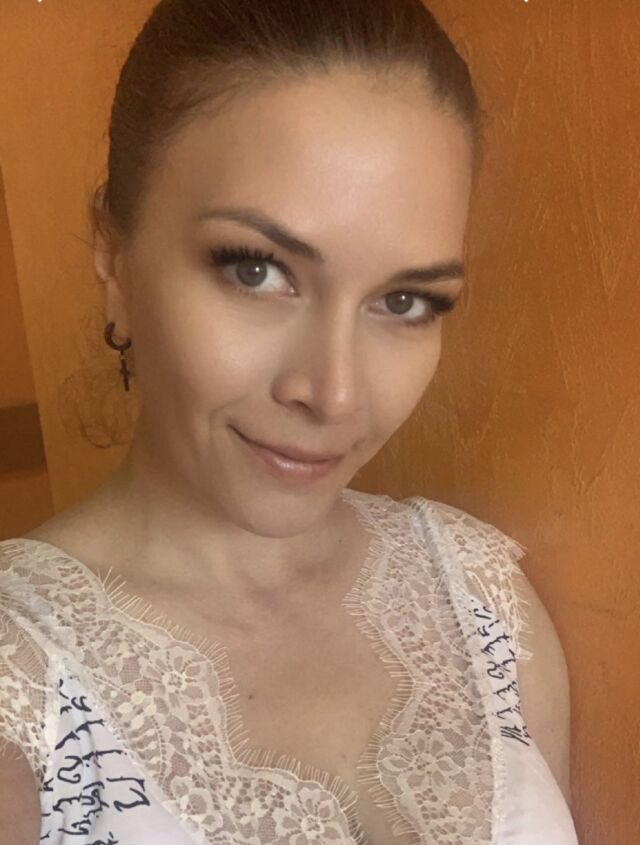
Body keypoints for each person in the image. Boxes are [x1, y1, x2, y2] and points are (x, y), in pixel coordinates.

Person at [0, 0, 580, 843]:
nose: (335, 394)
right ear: (114, 259)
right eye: (258, 271)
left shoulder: (483, 599)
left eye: (406, 300)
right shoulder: (19, 680)